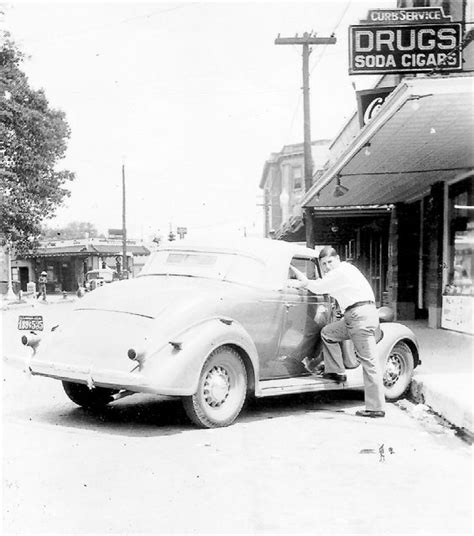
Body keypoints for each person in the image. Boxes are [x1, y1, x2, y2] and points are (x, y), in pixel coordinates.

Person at [290, 246, 386, 418]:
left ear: (338, 259)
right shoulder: (345, 272)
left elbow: (318, 288)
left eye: (330, 262)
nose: (327, 267)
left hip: (360, 316)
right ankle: (337, 372)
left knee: (369, 362)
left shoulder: (341, 272)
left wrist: (304, 282)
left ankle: (375, 408)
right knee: (328, 333)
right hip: (355, 315)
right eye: (324, 264)